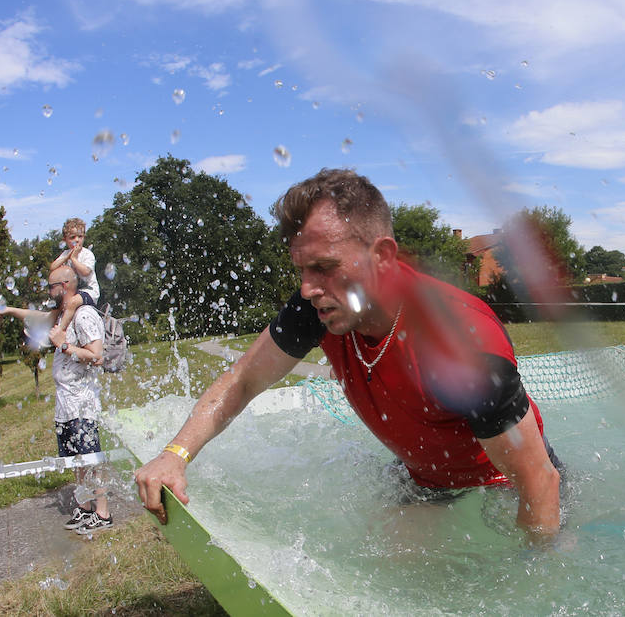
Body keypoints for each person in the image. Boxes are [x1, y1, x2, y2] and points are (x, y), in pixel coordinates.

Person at [135, 168, 563, 544]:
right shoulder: (318, 308)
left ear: (382, 257)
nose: (307, 288)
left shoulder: (459, 342)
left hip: (505, 483)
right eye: (301, 269)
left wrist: (538, 572)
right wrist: (175, 454)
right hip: (427, 480)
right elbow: (244, 379)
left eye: (324, 266)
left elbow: (537, 480)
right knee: (386, 561)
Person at [0, 265, 113, 534]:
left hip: (82, 402)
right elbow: (36, 316)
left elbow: (97, 355)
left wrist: (64, 345)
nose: (48, 292)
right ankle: (85, 507)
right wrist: (9, 311)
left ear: (65, 285)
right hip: (65, 404)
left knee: (91, 458)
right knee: (76, 460)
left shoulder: (83, 315)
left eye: (51, 287)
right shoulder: (62, 315)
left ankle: (102, 513)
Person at [45, 217, 100, 343]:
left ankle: (60, 330)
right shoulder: (66, 254)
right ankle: (48, 331)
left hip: (89, 291)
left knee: (72, 303)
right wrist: (67, 257)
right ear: (65, 240)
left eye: (80, 236)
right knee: (56, 307)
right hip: (73, 292)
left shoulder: (87, 254)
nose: (77, 240)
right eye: (72, 237)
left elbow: (85, 271)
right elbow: (52, 267)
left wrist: (74, 259)